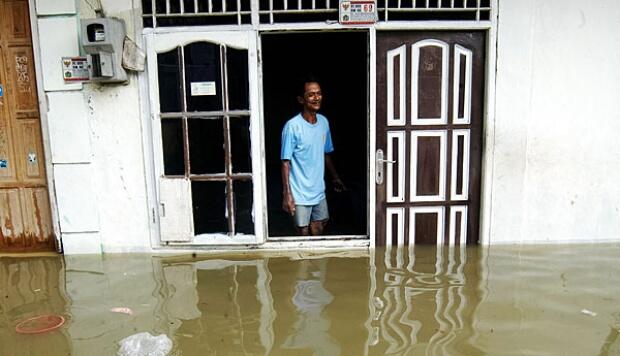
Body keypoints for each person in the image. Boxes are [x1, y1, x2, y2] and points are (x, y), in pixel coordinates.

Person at [281, 77, 345, 236]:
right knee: (302, 234)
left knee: (319, 229)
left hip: (318, 191)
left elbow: (325, 153)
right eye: (311, 95)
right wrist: (287, 194)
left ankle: (316, 262)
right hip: (299, 193)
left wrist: (335, 177)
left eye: (319, 93)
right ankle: (303, 262)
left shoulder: (323, 122)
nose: (316, 98)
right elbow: (285, 162)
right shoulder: (292, 126)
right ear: (301, 99)